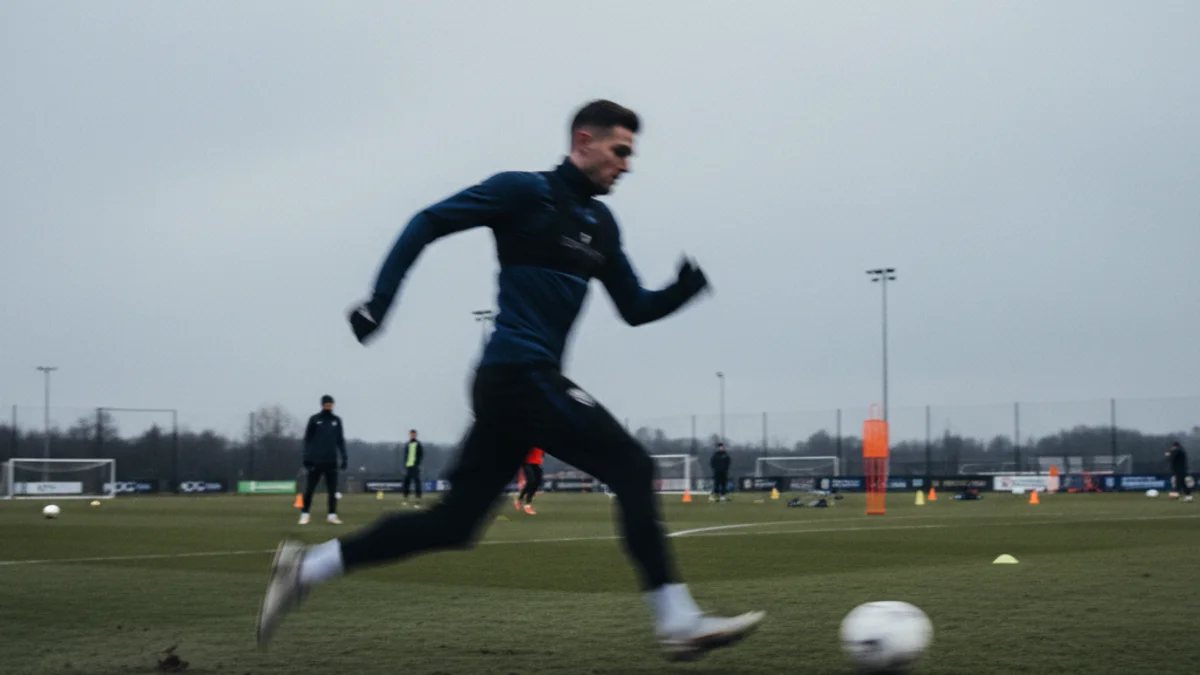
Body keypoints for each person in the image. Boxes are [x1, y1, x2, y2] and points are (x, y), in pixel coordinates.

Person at [256, 99, 764, 660]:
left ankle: (308, 567)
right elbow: (428, 221)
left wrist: (683, 290)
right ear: (584, 140)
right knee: (633, 467)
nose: (627, 165)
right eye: (620, 151)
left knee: (454, 524)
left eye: (630, 155)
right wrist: (380, 300)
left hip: (517, 386)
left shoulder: (601, 225)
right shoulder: (526, 192)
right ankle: (676, 621)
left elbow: (635, 308)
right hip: (518, 374)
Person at [299, 395, 347, 525]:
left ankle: (332, 515)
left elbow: (340, 440)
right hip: (316, 461)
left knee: (332, 491)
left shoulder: (336, 421)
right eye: (326, 404)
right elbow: (307, 440)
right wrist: (306, 457)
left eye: (330, 404)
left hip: (331, 461)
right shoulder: (314, 420)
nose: (328, 406)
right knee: (309, 490)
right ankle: (305, 514)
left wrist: (344, 457)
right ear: (322, 405)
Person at [515, 447, 545, 514]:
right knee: (531, 480)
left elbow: (541, 454)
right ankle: (525, 504)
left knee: (537, 482)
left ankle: (524, 503)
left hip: (536, 463)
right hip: (527, 462)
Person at [401, 429, 424, 505]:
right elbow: (405, 455)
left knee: (417, 482)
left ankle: (418, 498)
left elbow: (421, 455)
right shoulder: (408, 444)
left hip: (415, 466)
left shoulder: (418, 444)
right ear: (410, 435)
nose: (412, 435)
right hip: (408, 466)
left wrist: (417, 463)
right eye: (411, 434)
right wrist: (405, 464)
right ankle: (405, 498)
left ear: (415, 435)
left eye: (413, 434)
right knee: (406, 482)